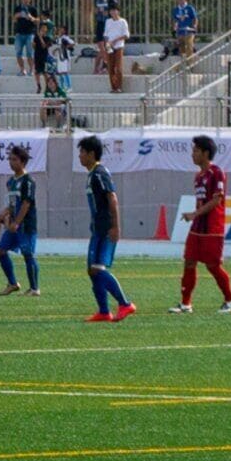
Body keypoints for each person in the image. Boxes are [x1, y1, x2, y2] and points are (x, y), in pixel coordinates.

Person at [174, 134, 231, 311]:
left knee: (213, 266)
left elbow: (216, 201)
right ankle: (186, 304)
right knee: (189, 261)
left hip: (213, 228)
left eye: (196, 151)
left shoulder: (216, 173)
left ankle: (230, 299)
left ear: (206, 153)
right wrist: (195, 216)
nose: (192, 154)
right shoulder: (198, 176)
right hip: (198, 228)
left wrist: (194, 214)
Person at [74, 135, 132, 321]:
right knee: (92, 270)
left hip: (106, 229)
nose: (80, 156)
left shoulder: (99, 173)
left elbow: (112, 198)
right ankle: (104, 311)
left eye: (82, 152)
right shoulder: (92, 174)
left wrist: (115, 226)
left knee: (98, 269)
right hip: (97, 229)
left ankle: (125, 304)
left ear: (92, 154)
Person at [0, 146, 41, 296]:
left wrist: (17, 222)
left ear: (23, 162)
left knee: (28, 254)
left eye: (14, 159)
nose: (11, 162)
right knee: (1, 250)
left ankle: (34, 288)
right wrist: (4, 214)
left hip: (25, 225)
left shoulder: (28, 181)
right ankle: (13, 283)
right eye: (10, 159)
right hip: (13, 224)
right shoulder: (11, 182)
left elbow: (26, 203)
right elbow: (13, 204)